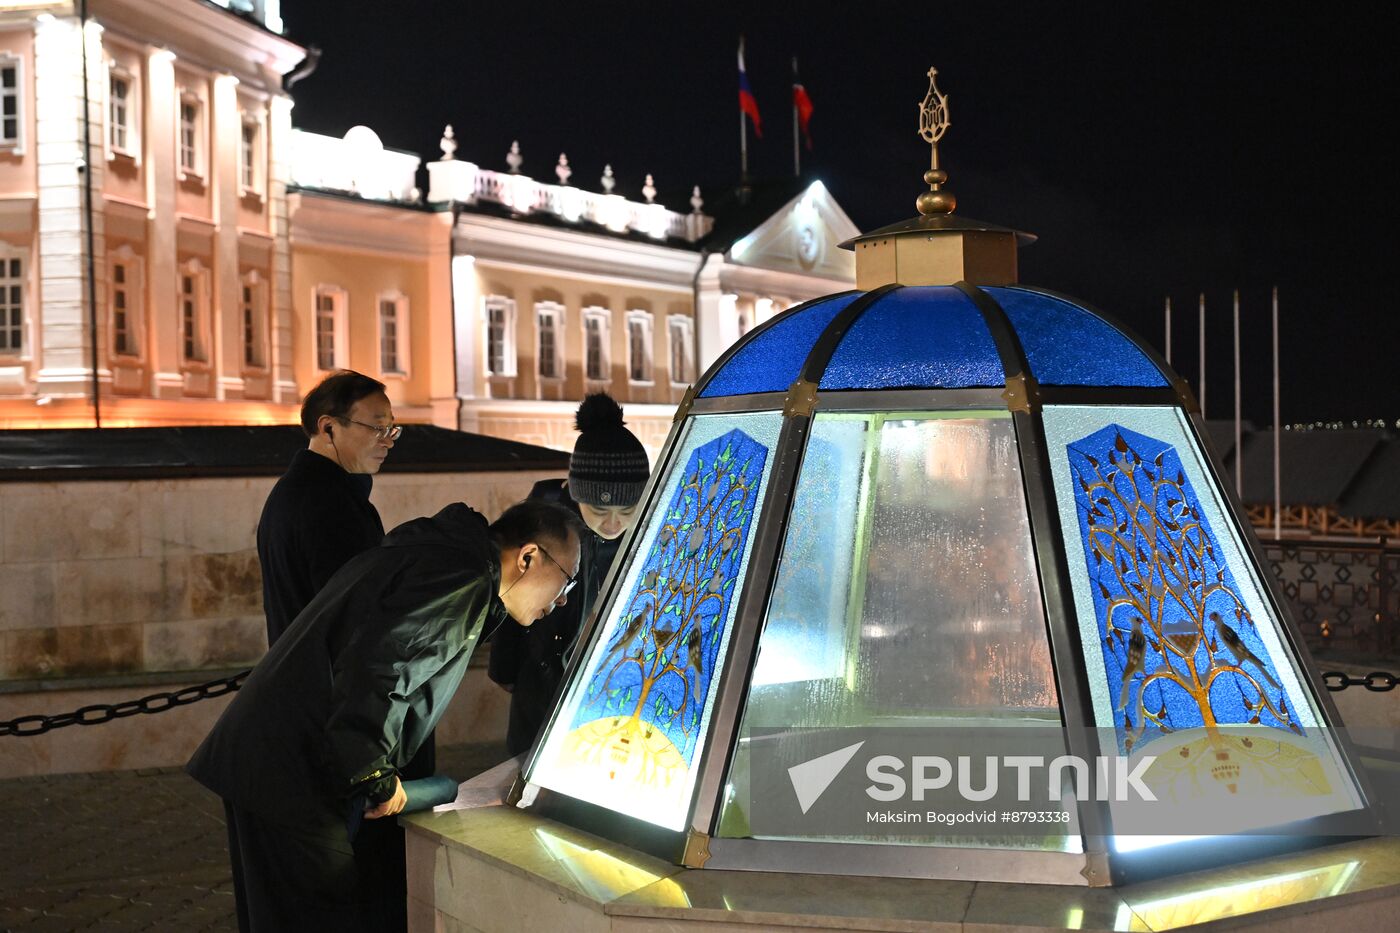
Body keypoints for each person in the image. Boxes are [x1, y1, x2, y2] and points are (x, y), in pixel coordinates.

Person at [188, 498, 584, 933]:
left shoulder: (444, 555)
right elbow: (380, 667)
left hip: (272, 757)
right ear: (528, 556)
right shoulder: (460, 577)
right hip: (292, 774)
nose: (564, 600)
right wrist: (373, 776)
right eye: (567, 579)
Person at [489, 393, 650, 755]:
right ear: (576, 494)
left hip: (614, 692)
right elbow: (508, 599)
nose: (613, 522)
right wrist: (505, 670)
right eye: (598, 508)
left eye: (627, 509)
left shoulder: (648, 534)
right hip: (542, 685)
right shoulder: (541, 528)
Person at [258, 369, 399, 647]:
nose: (388, 440)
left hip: (302, 674)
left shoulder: (295, 491)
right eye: (377, 428)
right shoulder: (329, 505)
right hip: (331, 682)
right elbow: (357, 616)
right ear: (328, 428)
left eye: (391, 429)